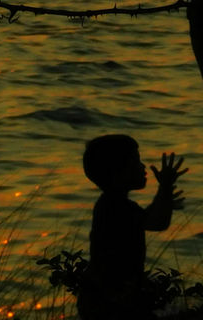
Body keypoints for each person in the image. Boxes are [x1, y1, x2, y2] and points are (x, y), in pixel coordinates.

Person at [76, 134, 187, 320]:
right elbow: (157, 222)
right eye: (135, 161)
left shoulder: (112, 204)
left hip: (104, 297)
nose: (143, 167)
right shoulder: (117, 207)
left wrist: (164, 199)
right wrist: (165, 188)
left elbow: (149, 218)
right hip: (110, 301)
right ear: (117, 172)